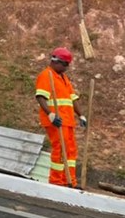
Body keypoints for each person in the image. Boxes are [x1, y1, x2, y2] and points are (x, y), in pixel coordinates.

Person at [35, 47, 87, 187]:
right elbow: (40, 97)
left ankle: (69, 181)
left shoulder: (63, 78)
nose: (66, 69)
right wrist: (50, 115)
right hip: (56, 121)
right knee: (59, 149)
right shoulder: (46, 75)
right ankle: (56, 181)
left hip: (67, 120)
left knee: (70, 150)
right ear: (59, 62)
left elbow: (72, 98)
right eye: (66, 66)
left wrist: (81, 115)